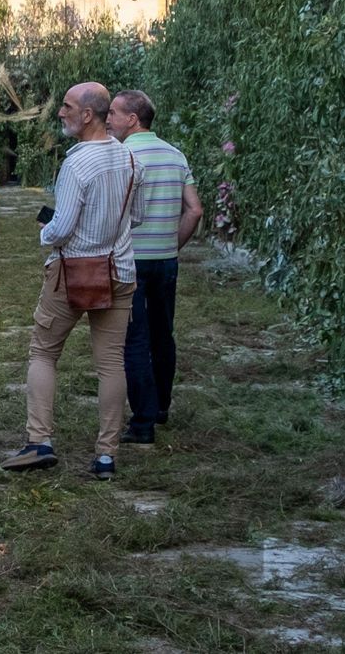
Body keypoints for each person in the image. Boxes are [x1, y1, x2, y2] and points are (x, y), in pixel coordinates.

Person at [1, 82, 141, 481]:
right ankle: (106, 456)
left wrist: (44, 233)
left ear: (88, 115)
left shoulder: (77, 165)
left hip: (73, 272)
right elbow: (138, 216)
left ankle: (39, 441)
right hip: (120, 271)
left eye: (67, 106)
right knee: (111, 363)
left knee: (43, 352)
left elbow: (61, 229)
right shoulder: (130, 159)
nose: (61, 112)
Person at [107, 90, 203, 443]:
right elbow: (195, 209)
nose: (108, 119)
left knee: (134, 340)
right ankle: (162, 406)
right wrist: (171, 244)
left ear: (132, 119)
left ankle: (142, 422)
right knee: (163, 334)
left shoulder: (120, 155)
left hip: (130, 261)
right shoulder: (175, 155)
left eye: (113, 113)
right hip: (165, 261)